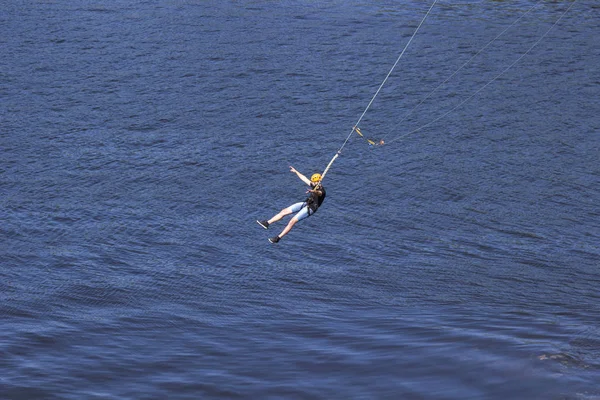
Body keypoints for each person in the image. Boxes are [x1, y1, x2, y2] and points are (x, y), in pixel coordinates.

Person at [257, 166, 326, 243]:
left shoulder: (322, 191)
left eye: (313, 182)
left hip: (311, 208)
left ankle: (277, 238)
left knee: (292, 221)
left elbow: (319, 193)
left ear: (317, 182)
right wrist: (296, 171)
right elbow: (304, 178)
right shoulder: (314, 185)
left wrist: (313, 191)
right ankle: (267, 223)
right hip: (306, 203)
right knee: (284, 211)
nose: (312, 183)